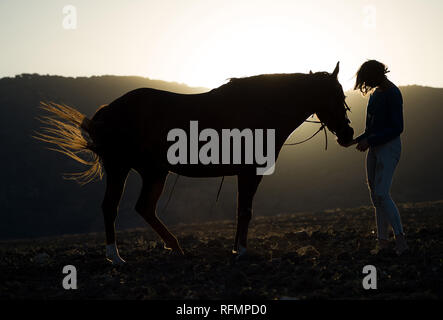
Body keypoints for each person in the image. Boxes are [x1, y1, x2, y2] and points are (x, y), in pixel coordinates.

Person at [343, 60, 408, 255]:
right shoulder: (375, 95)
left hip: (389, 148)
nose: (366, 85)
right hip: (375, 148)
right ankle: (383, 242)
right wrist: (354, 141)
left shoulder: (393, 94)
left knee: (381, 193)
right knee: (376, 197)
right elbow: (370, 129)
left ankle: (400, 240)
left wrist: (370, 141)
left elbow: (398, 128)